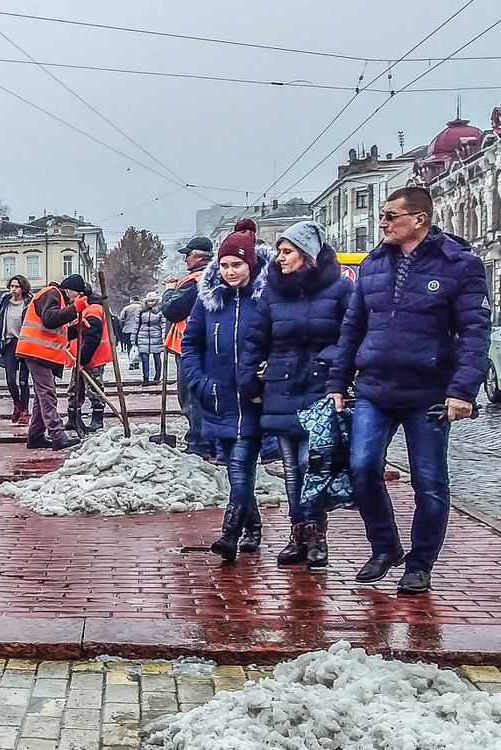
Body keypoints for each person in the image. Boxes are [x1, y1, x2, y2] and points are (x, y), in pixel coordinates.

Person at [326, 187, 489, 594]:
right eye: (381, 214)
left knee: (429, 482)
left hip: (428, 393)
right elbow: (353, 328)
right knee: (362, 467)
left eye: (390, 215)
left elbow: (474, 332)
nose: (382, 222)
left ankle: (420, 563)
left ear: (419, 219)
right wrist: (337, 382)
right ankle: (385, 546)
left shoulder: (459, 265)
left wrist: (463, 391)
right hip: (375, 387)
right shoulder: (373, 264)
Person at [238, 220, 353, 568]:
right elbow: (257, 339)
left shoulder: (339, 289)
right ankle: (298, 534)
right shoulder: (273, 292)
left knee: (312, 462)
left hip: (321, 389)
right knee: (291, 469)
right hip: (281, 386)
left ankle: (318, 535)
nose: (280, 258)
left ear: (308, 254)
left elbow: (352, 336)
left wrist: (332, 362)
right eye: (279, 252)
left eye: (287, 252)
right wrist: (248, 377)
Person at [182, 231, 268, 561]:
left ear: (251, 263)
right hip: (219, 396)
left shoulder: (265, 298)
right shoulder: (209, 301)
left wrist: (267, 372)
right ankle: (254, 527)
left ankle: (229, 533)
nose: (230, 271)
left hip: (253, 397)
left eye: (237, 264)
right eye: (224, 265)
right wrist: (200, 382)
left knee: (242, 464)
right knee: (235, 468)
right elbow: (191, 344)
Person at [16, 275, 86, 451]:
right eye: (76, 295)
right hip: (35, 352)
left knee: (42, 397)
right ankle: (57, 435)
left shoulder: (59, 299)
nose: (76, 299)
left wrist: (78, 329)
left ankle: (36, 436)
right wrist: (74, 310)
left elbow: (55, 331)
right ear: (69, 290)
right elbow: (49, 319)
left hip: (41, 353)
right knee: (47, 393)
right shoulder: (52, 293)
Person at [162, 234, 216, 457]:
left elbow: (172, 309)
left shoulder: (195, 281)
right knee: (204, 394)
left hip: (190, 347)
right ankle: (209, 440)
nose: (185, 259)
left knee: (192, 396)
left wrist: (169, 291)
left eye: (187, 255)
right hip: (206, 344)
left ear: (198, 257)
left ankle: (199, 442)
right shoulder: (215, 277)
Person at [65, 276, 114, 434]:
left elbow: (93, 336)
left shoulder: (93, 309)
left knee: (94, 388)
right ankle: (73, 418)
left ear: (75, 292)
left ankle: (97, 420)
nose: (66, 295)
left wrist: (83, 359)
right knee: (75, 388)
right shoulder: (83, 307)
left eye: (67, 292)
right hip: (80, 356)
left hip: (93, 357)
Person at [0, 275, 33, 424]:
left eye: (16, 286)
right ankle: (17, 404)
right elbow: (0, 323)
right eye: (11, 286)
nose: (13, 289)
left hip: (24, 343)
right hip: (9, 343)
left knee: (23, 380)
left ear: (23, 288)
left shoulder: (29, 303)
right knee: (10, 379)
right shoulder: (5, 302)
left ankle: (25, 411)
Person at [134, 291, 166, 384]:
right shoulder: (141, 311)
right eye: (149, 301)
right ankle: (146, 378)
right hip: (143, 336)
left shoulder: (160, 310)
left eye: (153, 301)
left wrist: (164, 337)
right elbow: (137, 324)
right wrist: (134, 337)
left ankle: (157, 377)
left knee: (157, 357)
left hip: (156, 335)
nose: (151, 303)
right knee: (144, 358)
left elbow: (163, 324)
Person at [120, 298, 141, 367]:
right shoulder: (142, 307)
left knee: (129, 346)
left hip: (128, 329)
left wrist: (123, 327)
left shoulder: (126, 308)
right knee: (138, 346)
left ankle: (131, 362)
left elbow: (122, 319)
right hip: (139, 329)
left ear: (131, 300)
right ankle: (137, 362)